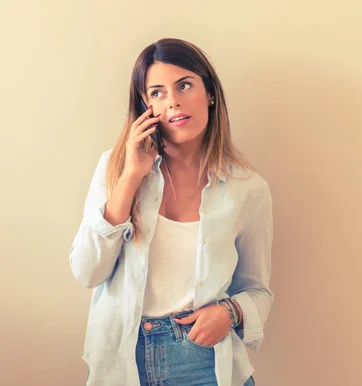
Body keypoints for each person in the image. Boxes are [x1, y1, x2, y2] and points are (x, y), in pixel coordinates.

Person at [69, 38, 274, 386]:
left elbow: (258, 291)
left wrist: (230, 312)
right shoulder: (115, 168)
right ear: (146, 106)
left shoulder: (248, 188)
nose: (174, 101)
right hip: (120, 361)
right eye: (157, 93)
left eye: (184, 85)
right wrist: (132, 176)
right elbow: (87, 271)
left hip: (204, 362)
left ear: (209, 92)